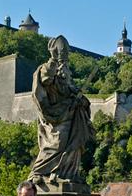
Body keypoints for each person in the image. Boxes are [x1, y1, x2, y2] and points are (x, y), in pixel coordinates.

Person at [28, 36, 94, 185]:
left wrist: (80, 101)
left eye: (66, 62)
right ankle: (38, 172)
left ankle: (67, 173)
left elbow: (82, 101)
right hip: (55, 120)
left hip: (72, 120)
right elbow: (44, 79)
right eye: (62, 62)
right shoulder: (48, 72)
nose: (65, 65)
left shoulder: (67, 83)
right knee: (56, 144)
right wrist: (54, 59)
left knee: (74, 147)